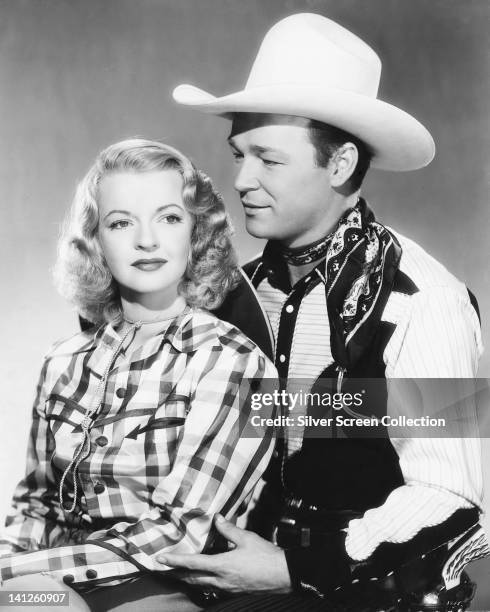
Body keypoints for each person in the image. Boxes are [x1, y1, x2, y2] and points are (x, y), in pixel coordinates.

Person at [160, 13, 490, 611]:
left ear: (338, 164)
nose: (241, 179)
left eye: (269, 159)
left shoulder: (422, 299)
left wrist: (292, 568)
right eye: (239, 155)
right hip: (234, 581)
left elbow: (449, 500)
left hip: (376, 594)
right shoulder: (231, 291)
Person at [0, 139, 278, 611]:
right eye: (121, 222)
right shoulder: (62, 361)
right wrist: (13, 569)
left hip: (169, 588)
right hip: (51, 588)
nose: (146, 240)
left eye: (168, 218)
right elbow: (34, 508)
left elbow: (180, 532)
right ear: (95, 241)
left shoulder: (235, 362)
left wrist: (16, 575)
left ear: (197, 232)